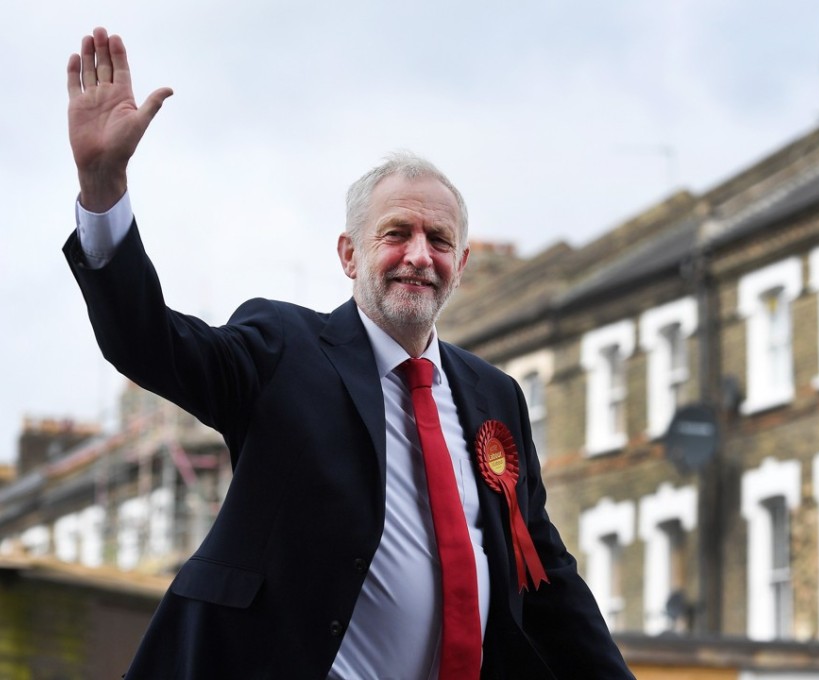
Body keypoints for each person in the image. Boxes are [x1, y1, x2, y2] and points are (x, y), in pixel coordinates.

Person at [63, 27, 635, 679]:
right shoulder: (284, 350)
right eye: (397, 233)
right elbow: (148, 342)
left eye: (440, 241)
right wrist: (103, 191)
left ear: (463, 264)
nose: (420, 255)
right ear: (348, 254)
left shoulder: (494, 396)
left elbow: (545, 579)